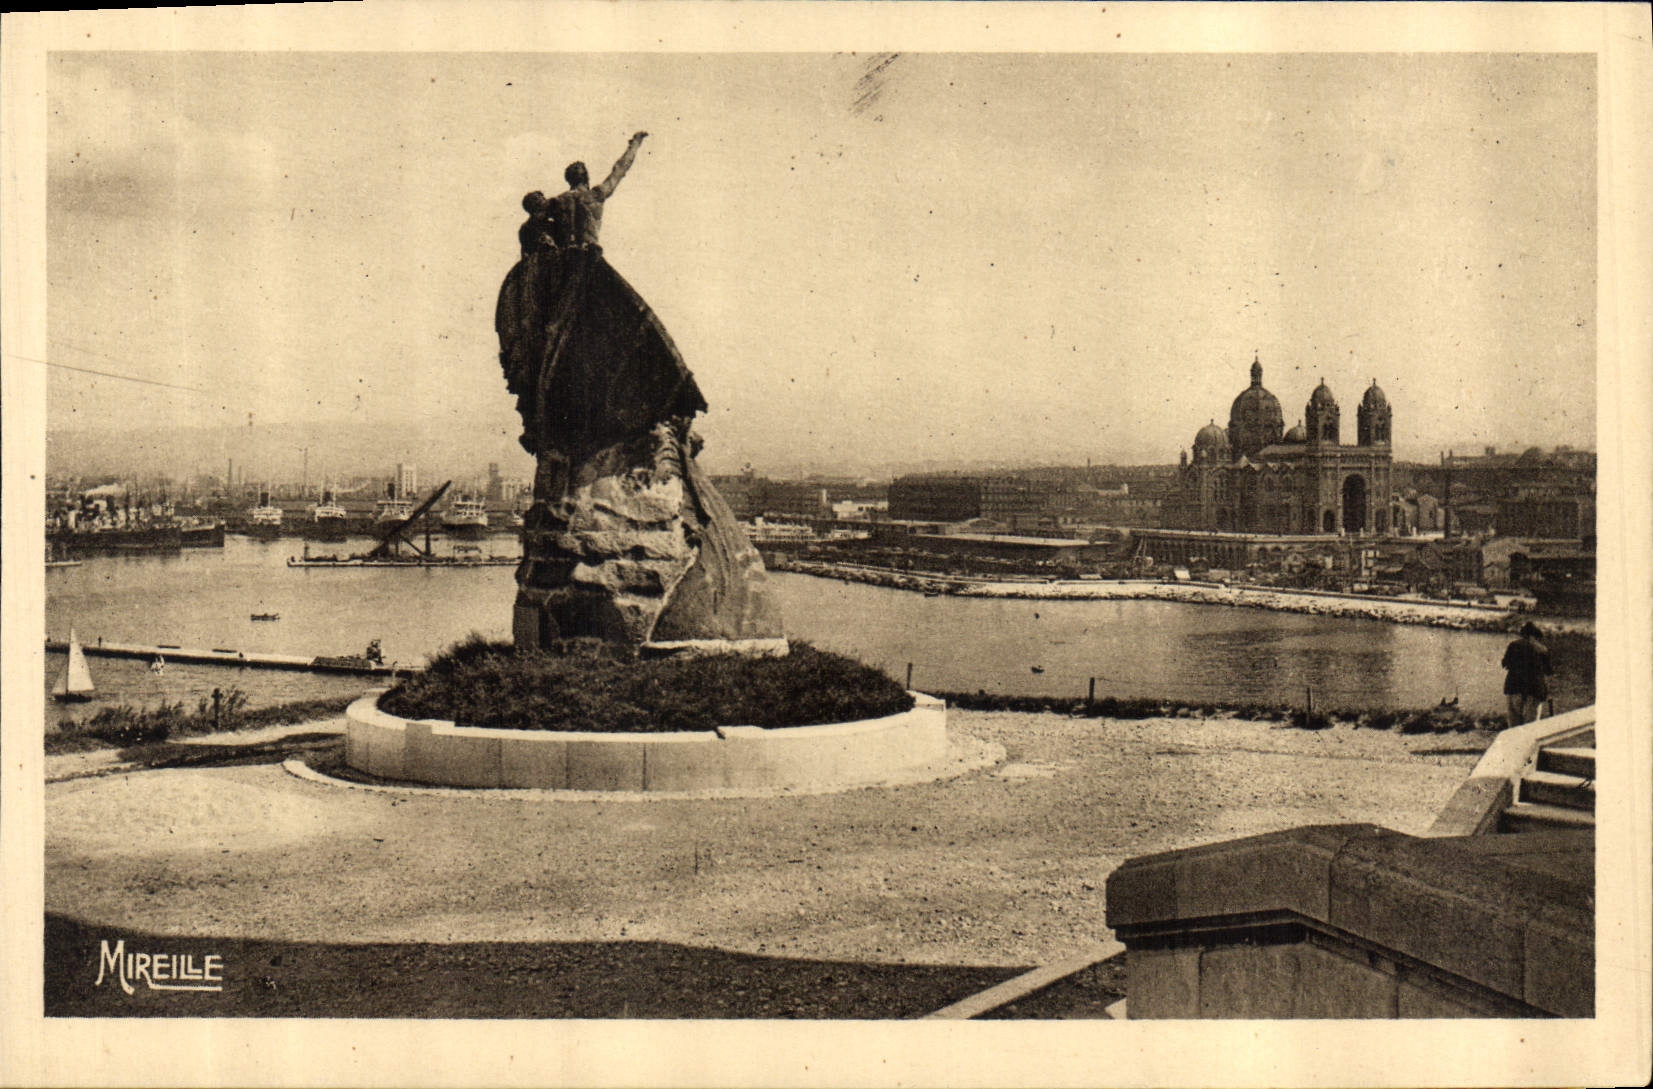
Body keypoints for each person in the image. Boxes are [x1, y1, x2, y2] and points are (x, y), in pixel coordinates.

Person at [545, 131, 648, 251]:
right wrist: (635, 144)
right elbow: (620, 169)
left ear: (569, 180)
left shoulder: (557, 201)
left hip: (563, 256)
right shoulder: (596, 195)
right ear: (587, 178)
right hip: (590, 254)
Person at [1500, 621, 1553, 727]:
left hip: (1514, 688)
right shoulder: (1542, 649)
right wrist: (1548, 692)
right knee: (1530, 729)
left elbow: (1504, 664)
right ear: (1535, 636)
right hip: (1534, 690)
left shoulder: (1513, 645)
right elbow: (1548, 673)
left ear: (1523, 634)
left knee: (1514, 729)